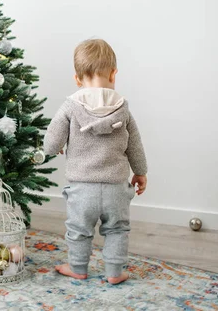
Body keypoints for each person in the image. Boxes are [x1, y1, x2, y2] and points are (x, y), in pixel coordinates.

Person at [43, 38, 148, 285]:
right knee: (117, 230)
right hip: (116, 188)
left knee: (79, 231)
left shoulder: (70, 107)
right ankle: (114, 272)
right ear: (114, 74)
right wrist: (140, 172)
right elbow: (135, 145)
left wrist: (57, 146)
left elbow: (49, 144)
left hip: (82, 189)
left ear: (77, 79)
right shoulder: (123, 108)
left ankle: (78, 267)